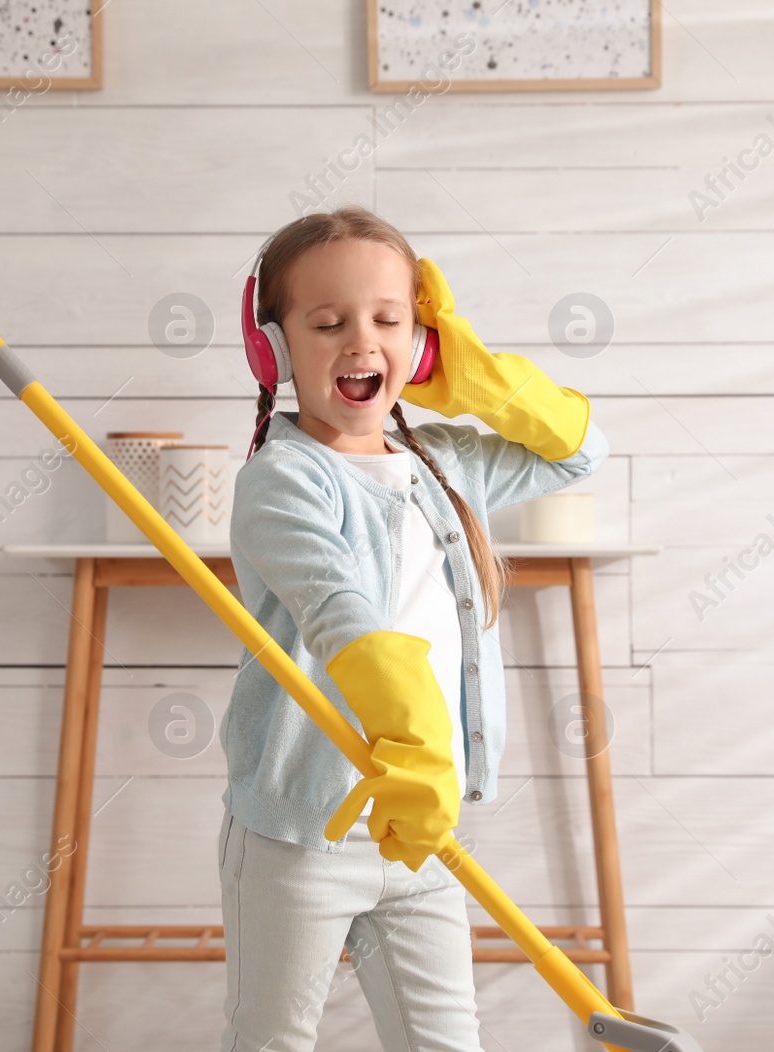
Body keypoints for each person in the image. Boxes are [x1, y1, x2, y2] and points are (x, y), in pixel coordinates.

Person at [219, 205, 608, 1051]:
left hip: (418, 830)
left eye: (390, 321)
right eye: (327, 323)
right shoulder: (282, 482)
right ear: (275, 351)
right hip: (301, 832)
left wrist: (474, 380)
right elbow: (342, 617)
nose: (362, 340)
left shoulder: (444, 464)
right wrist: (419, 745)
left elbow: (580, 451)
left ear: (420, 344)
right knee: (270, 1042)